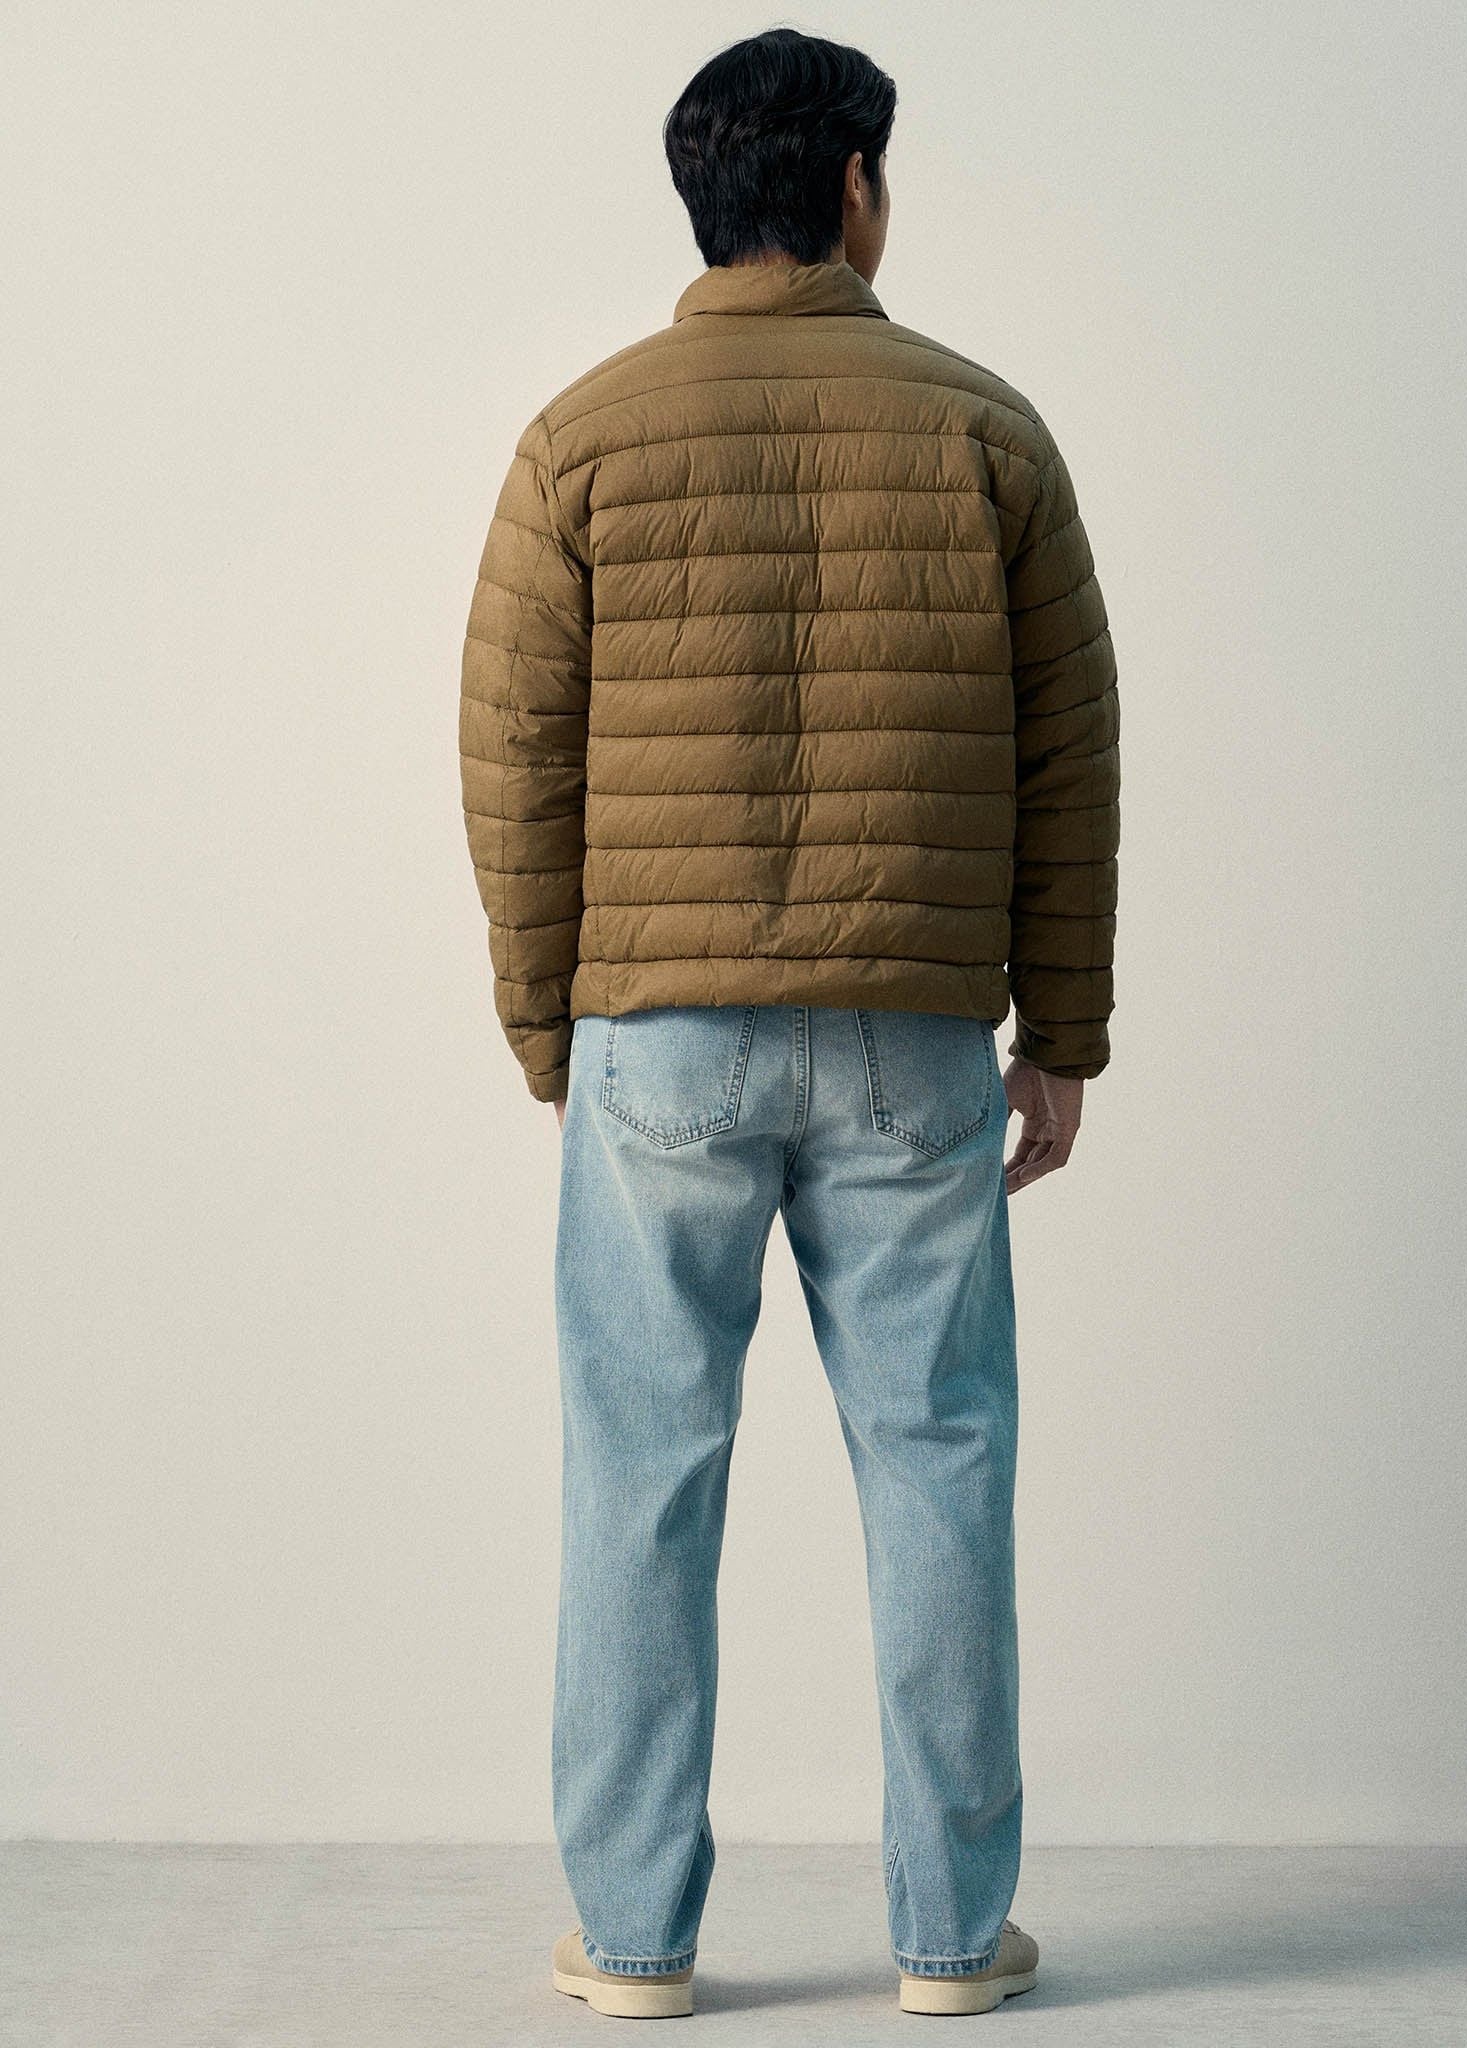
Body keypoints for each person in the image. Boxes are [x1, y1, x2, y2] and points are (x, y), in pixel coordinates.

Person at [458, 25, 1118, 2022]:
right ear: (851, 189)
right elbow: (1070, 755)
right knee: (940, 1466)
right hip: (916, 1031)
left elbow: (514, 756)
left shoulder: (581, 437)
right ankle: (950, 1941)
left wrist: (551, 1029)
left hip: (657, 1030)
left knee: (639, 1476)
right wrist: (1063, 1031)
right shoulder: (989, 431)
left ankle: (634, 1943)